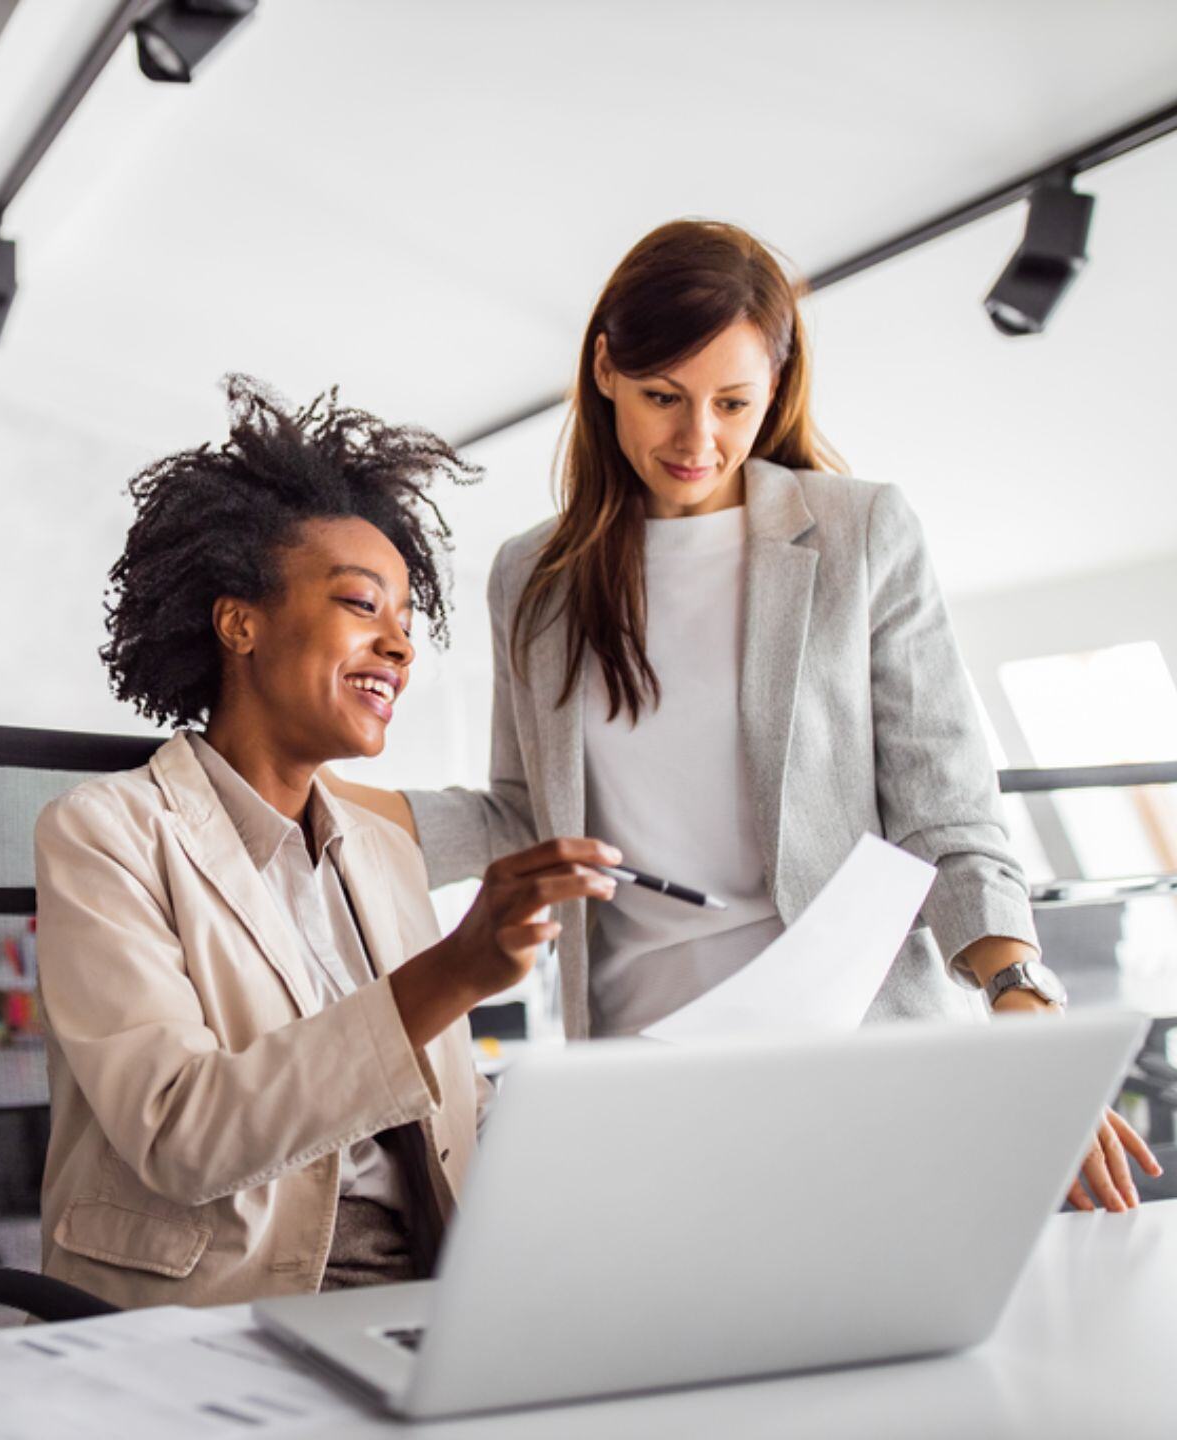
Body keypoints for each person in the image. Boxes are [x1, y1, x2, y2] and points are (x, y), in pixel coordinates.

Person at [325, 220, 1160, 1213]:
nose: (697, 441)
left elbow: (945, 813)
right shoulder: (534, 577)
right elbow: (522, 819)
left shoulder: (860, 534)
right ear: (605, 369)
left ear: (777, 385)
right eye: (662, 397)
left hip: (860, 1060)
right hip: (645, 1072)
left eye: (732, 403)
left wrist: (1022, 1000)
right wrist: (303, 795)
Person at [34, 377, 617, 1311]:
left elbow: (448, 1112)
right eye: (360, 605)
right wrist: (454, 972)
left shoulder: (382, 851)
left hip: (424, 1288)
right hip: (230, 1305)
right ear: (240, 623)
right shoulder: (104, 835)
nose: (400, 647)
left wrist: (604, 1136)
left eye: (406, 623)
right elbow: (182, 1134)